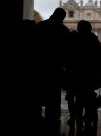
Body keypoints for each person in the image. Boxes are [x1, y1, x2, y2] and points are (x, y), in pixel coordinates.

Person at [64, 20, 101, 136]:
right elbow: (99, 58)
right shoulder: (94, 40)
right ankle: (87, 117)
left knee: (74, 95)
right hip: (90, 73)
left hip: (75, 72)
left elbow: (67, 55)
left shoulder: (73, 40)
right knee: (87, 96)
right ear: (90, 28)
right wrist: (100, 73)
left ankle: (74, 116)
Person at [35, 7, 70, 136]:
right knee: (54, 96)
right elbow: (67, 52)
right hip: (56, 67)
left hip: (40, 66)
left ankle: (35, 118)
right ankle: (53, 120)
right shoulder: (64, 30)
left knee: (38, 93)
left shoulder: (40, 26)